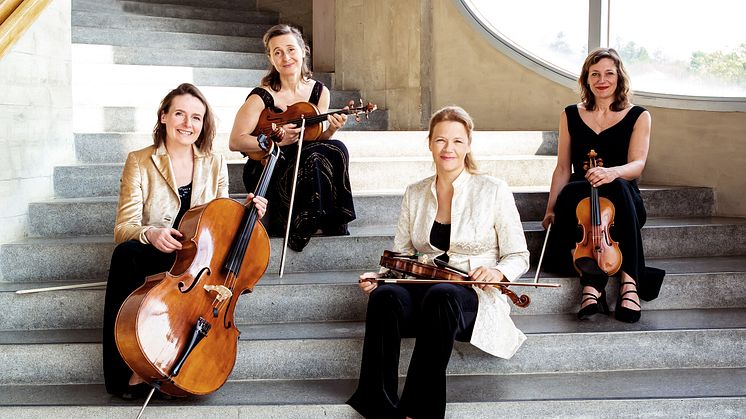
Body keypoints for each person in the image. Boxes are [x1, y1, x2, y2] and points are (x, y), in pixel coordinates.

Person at [347, 106, 530, 419]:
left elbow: (519, 255)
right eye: (441, 140)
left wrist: (498, 271)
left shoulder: (493, 190)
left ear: (469, 144)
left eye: (457, 141)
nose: (449, 148)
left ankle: (420, 411)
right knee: (385, 296)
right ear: (429, 143)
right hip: (422, 291)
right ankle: (377, 404)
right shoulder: (415, 193)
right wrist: (381, 277)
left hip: (470, 296)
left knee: (442, 293)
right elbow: (401, 255)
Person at [102, 83, 267, 399]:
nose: (187, 124)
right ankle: (126, 369)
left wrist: (247, 213)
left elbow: (221, 218)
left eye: (196, 117)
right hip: (158, 252)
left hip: (198, 262)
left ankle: (186, 363)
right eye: (179, 114)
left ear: (203, 124)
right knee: (125, 254)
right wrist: (150, 233)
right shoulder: (140, 161)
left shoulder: (213, 161)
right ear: (163, 116)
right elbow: (124, 226)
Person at [541, 48, 665, 323]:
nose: (602, 79)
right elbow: (563, 168)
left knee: (619, 187)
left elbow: (637, 165)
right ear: (586, 79)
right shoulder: (570, 114)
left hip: (623, 200)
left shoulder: (639, 116)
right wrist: (550, 209)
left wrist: (612, 173)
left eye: (609, 73)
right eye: (594, 74)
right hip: (580, 197)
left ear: (620, 78)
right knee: (573, 189)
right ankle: (592, 283)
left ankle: (627, 284)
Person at [229, 24, 356, 252]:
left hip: (305, 162)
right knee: (315, 155)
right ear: (271, 58)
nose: (285, 57)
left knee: (336, 147)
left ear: (303, 51)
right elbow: (236, 141)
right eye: (277, 52)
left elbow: (315, 140)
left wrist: (331, 130)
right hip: (269, 163)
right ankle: (300, 223)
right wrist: (273, 142)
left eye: (290, 49)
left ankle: (320, 217)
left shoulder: (319, 92)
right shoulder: (262, 95)